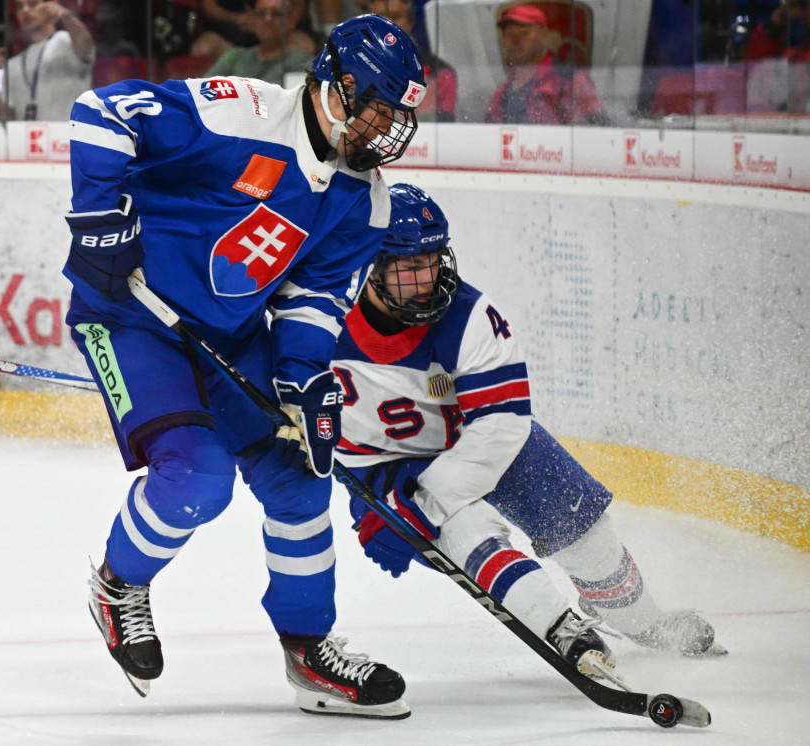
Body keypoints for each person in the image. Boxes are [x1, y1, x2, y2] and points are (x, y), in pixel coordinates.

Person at [64, 14, 428, 719]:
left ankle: (310, 649)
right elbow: (102, 111)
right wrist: (97, 219)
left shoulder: (366, 199)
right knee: (197, 478)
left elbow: (315, 297)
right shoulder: (247, 114)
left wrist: (303, 378)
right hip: (129, 317)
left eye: (398, 114)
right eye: (380, 107)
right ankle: (118, 584)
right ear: (338, 86)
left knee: (298, 482)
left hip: (230, 334)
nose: (387, 128)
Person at [330, 183, 725, 682]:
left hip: (486, 443)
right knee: (468, 530)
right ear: (368, 264)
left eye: (433, 261)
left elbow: (500, 427)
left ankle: (644, 622)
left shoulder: (471, 317)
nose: (427, 279)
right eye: (410, 267)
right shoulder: (321, 311)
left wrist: (426, 503)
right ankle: (561, 628)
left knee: (587, 532)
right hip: (387, 463)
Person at [485, 3, 609, 126]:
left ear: (544, 35)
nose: (515, 40)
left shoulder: (570, 80)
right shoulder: (502, 92)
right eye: (508, 34)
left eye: (524, 32)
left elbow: (597, 130)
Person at [0, 0, 94, 122]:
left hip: (69, 138)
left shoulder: (66, 42)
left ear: (50, 6)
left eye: (32, 4)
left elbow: (86, 47)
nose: (25, 10)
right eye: (19, 6)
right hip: (29, 139)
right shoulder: (12, 65)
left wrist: (66, 16)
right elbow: (2, 120)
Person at [363, 0, 456, 121]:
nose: (387, 24)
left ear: (410, 22)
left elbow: (443, 125)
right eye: (379, 18)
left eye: (396, 16)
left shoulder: (440, 73)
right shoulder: (348, 65)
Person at [204, 0, 312, 85]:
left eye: (276, 14)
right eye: (261, 13)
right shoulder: (234, 57)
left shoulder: (303, 63)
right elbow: (202, 90)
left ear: (292, 21)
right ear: (253, 19)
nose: (267, 19)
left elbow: (294, 106)